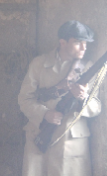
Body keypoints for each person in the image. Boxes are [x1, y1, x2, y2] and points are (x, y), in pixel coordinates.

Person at [18, 20, 101, 176]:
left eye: (86, 43)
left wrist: (83, 98)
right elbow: (24, 99)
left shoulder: (88, 67)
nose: (84, 47)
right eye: (78, 43)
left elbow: (96, 108)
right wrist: (44, 114)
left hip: (70, 140)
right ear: (63, 42)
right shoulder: (39, 64)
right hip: (40, 135)